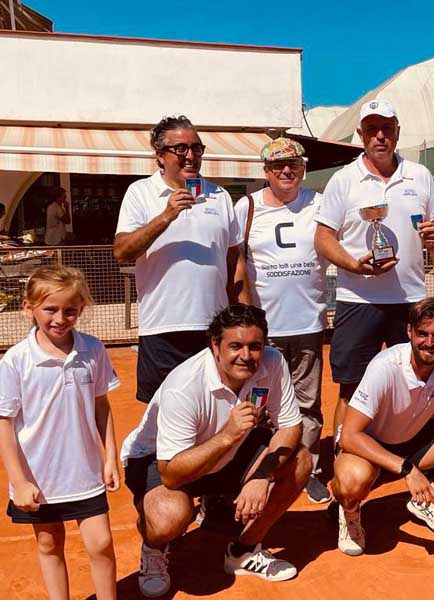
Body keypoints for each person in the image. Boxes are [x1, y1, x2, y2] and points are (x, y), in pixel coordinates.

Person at [121, 304, 311, 597]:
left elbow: (289, 426)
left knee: (300, 460)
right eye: (235, 346)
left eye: (255, 346)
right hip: (162, 460)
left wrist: (262, 475)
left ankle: (243, 551)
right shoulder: (184, 385)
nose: (246, 356)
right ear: (215, 345)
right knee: (168, 517)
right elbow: (170, 474)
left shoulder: (272, 362)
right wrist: (227, 436)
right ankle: (154, 548)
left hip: (228, 450)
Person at [332, 297, 434, 556]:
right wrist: (408, 470)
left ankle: (431, 498)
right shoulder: (385, 366)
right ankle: (349, 513)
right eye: (422, 333)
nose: (429, 343)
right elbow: (350, 436)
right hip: (370, 445)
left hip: (415, 438)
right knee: (351, 482)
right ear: (409, 331)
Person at [314, 99, 434, 439]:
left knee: (414, 384)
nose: (380, 136)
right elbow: (323, 238)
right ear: (361, 134)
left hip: (410, 300)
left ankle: (406, 453)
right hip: (358, 299)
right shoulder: (344, 180)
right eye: (372, 129)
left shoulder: (420, 175)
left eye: (386, 128)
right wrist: (354, 265)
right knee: (351, 389)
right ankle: (342, 456)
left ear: (397, 132)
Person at [0, 266, 120, 600]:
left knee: (101, 544)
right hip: (39, 477)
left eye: (70, 310)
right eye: (50, 309)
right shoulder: (15, 360)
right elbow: (4, 423)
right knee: (49, 543)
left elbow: (101, 405)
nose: (60, 318)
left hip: (85, 472)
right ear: (29, 308)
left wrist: (110, 457)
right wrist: (19, 480)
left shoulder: (92, 349)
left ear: (81, 309)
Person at [114, 115, 249, 405]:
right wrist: (166, 215)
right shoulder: (140, 193)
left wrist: (247, 316)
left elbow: (234, 261)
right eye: (180, 149)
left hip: (214, 328)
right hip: (163, 328)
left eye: (196, 148)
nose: (190, 156)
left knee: (216, 409)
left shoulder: (219, 195)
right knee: (162, 414)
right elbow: (122, 251)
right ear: (159, 155)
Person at [233, 137, 330, 504]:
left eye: (293, 164)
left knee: (307, 404)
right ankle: (257, 468)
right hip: (264, 330)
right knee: (258, 404)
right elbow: (236, 262)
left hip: (308, 324)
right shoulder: (247, 208)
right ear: (266, 171)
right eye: (278, 166)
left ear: (303, 168)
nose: (286, 171)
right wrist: (245, 318)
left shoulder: (319, 203)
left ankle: (307, 468)